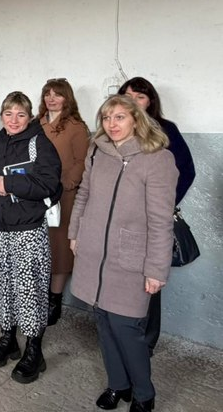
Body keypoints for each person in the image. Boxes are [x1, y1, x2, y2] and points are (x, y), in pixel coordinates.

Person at [68, 95, 177, 412]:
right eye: (106, 118)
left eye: (119, 117)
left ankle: (143, 393)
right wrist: (75, 232)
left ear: (136, 119)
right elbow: (84, 195)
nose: (111, 124)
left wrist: (156, 269)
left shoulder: (157, 159)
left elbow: (161, 221)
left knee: (127, 329)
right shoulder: (97, 152)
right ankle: (118, 384)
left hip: (131, 258)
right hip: (94, 252)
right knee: (103, 322)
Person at [0, 91, 62, 383]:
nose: (14, 120)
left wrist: (10, 183)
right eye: (8, 114)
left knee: (29, 288)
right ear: (1, 116)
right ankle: (8, 338)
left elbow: (49, 184)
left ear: (30, 116)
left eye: (20, 115)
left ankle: (35, 349)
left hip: (27, 229)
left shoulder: (40, 144)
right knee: (0, 285)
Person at [118, 77, 196, 356]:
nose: (133, 101)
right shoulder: (116, 129)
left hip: (149, 220)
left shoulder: (165, 129)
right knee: (119, 276)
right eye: (127, 95)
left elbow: (186, 171)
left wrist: (162, 205)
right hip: (118, 218)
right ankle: (120, 334)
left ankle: (145, 341)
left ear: (150, 101)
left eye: (139, 96)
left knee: (148, 280)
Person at [36, 79, 90, 325]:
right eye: (47, 94)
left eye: (57, 94)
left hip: (63, 196)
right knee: (39, 246)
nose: (51, 98)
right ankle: (37, 297)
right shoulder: (36, 123)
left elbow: (82, 161)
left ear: (67, 98)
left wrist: (67, 183)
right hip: (36, 194)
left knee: (59, 248)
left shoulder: (75, 126)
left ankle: (54, 300)